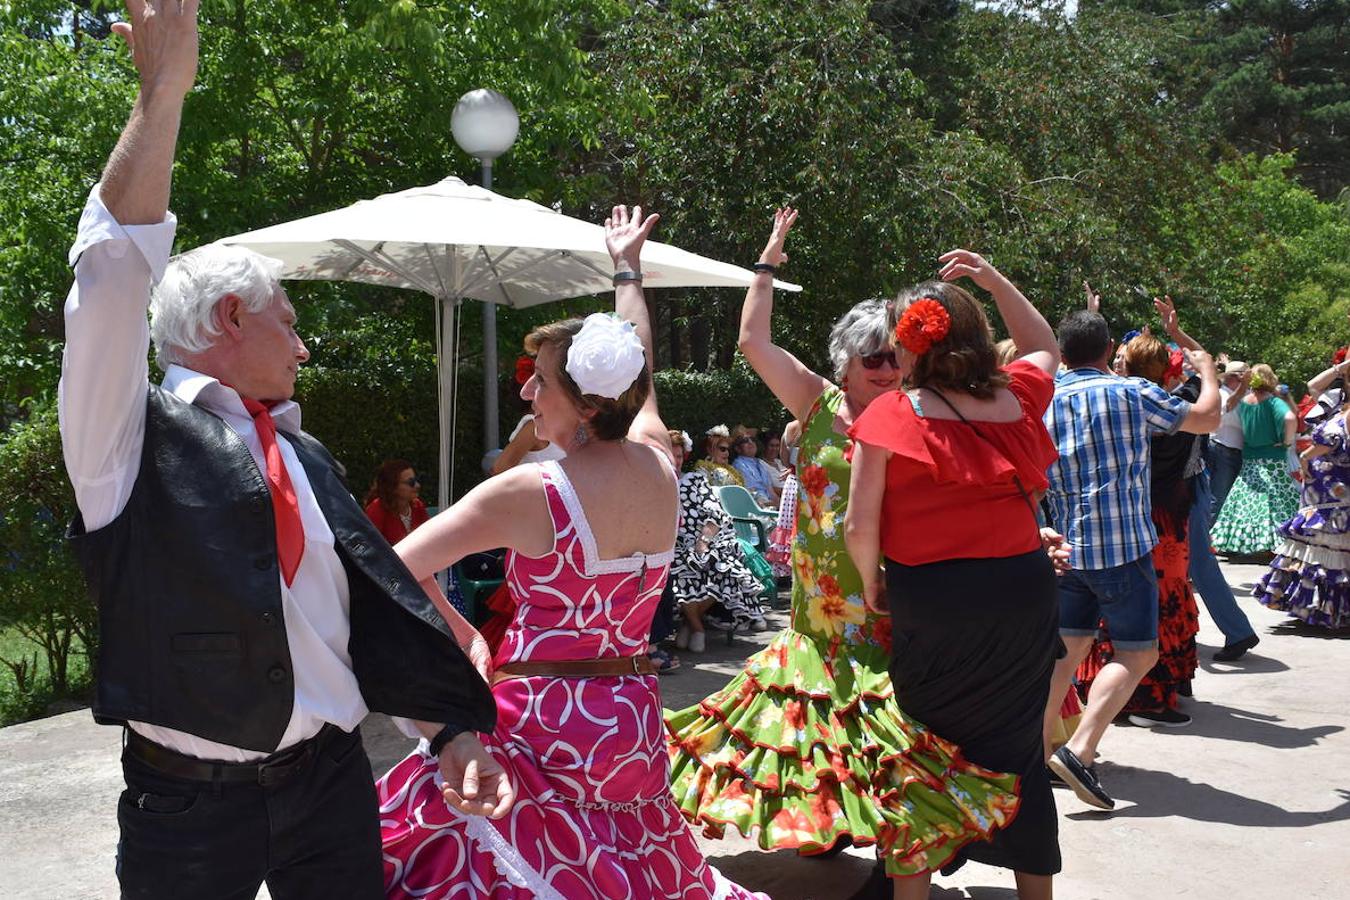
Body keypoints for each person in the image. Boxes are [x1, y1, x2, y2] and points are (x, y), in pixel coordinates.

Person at [57, 6, 499, 897]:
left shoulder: (305, 454)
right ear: (230, 316)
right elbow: (109, 281)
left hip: (332, 785)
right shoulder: (124, 439)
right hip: (189, 811)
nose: (301, 349)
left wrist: (446, 732)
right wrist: (161, 95)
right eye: (288, 324)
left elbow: (361, 619)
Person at [377, 206, 768, 900]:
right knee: (629, 871)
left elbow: (386, 568)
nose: (526, 391)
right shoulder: (659, 460)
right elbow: (639, 362)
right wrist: (626, 270)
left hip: (540, 721)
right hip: (630, 720)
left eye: (541, 381)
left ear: (588, 406)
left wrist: (462, 628)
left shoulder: (532, 491)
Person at [668, 210, 1020, 884]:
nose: (889, 369)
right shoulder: (818, 404)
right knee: (813, 725)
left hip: (892, 600)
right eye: (874, 359)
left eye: (897, 357)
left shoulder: (922, 411)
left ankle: (901, 845)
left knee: (884, 733)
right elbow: (752, 341)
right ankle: (826, 823)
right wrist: (768, 261)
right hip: (820, 611)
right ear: (847, 364)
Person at [846, 251, 1064, 900]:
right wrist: (992, 278)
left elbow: (859, 525)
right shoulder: (1017, 397)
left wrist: (871, 583)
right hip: (1023, 594)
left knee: (920, 755)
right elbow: (1043, 344)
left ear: (909, 344)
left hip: (932, 599)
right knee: (1020, 755)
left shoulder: (890, 414)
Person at [1040, 308, 1219, 811]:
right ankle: (1079, 750)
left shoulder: (1045, 399)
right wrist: (1207, 371)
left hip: (1066, 548)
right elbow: (1206, 418)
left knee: (1067, 652)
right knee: (1138, 653)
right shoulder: (1129, 392)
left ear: (1063, 351)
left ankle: (1037, 751)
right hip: (1122, 548)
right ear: (1107, 352)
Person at [1075, 308, 1211, 728]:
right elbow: (1206, 372)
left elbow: (1087, 367)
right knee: (1159, 606)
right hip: (1166, 520)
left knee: (1126, 610)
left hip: (1133, 517)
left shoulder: (1118, 403)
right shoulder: (1179, 403)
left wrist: (1094, 322)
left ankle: (1119, 693)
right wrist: (1181, 338)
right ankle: (1148, 698)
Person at [1254, 395, 1350, 629]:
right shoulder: (1337, 410)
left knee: (1328, 552)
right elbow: (1314, 387)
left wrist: (1306, 458)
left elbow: (1328, 443)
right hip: (1327, 493)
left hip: (1333, 495)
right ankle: (1318, 609)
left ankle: (1325, 611)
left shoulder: (1342, 419)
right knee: (1322, 552)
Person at [1210, 363, 1300, 554]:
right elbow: (1291, 418)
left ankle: (1239, 542)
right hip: (1273, 459)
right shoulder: (1273, 402)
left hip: (1250, 458)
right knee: (1277, 501)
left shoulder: (1244, 401)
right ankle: (1275, 544)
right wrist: (1286, 442)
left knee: (1246, 501)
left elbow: (1229, 406)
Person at [1209, 360, 1250, 522]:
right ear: (1234, 377)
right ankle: (1209, 534)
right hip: (1222, 449)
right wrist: (1244, 387)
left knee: (1231, 499)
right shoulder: (1221, 394)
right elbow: (1228, 406)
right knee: (1219, 497)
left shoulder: (1245, 394)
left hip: (1237, 451)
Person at [364, 459, 430, 545]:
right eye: (411, 482)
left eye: (416, 480)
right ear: (393, 487)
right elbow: (370, 545)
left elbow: (429, 537)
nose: (417, 485)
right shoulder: (376, 510)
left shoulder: (418, 506)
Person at [731, 427, 781, 507]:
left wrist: (780, 504)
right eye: (745, 441)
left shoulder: (759, 463)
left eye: (752, 439)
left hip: (769, 505)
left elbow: (771, 492)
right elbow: (752, 493)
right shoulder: (739, 464)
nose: (750, 442)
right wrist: (773, 504)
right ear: (737, 448)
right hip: (755, 507)